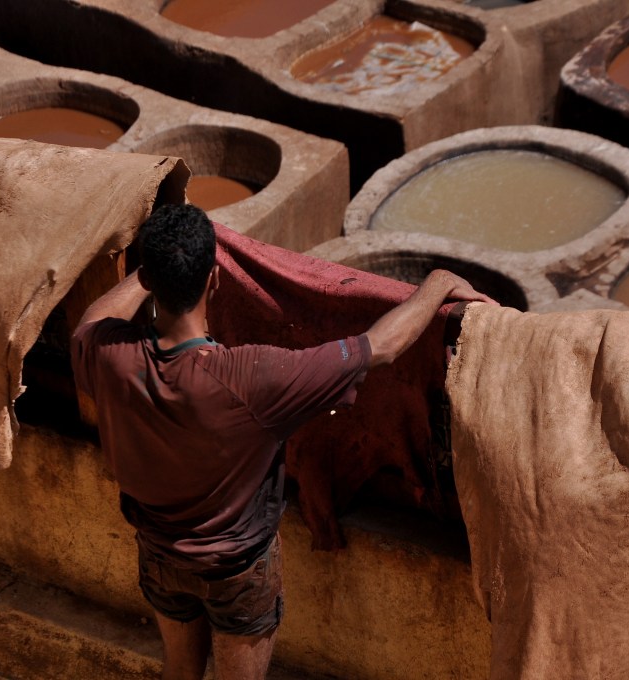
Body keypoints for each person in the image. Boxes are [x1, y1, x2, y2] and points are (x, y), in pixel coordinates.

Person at [70, 203, 496, 680]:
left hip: (157, 552)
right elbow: (382, 346)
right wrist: (437, 283)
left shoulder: (108, 357)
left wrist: (155, 266)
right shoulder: (254, 377)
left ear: (149, 279)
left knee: (179, 670)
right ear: (215, 278)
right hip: (238, 571)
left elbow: (93, 316)